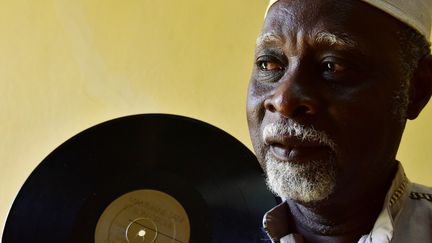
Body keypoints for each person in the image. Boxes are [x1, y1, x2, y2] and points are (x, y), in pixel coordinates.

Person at [246, 0, 432, 242]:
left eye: (332, 67)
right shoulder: (189, 225)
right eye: (269, 64)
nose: (284, 100)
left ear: (416, 89)